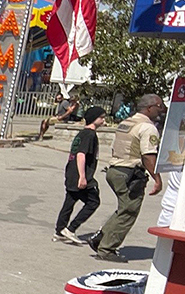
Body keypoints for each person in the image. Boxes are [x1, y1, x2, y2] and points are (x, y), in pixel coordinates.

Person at [88, 93, 167, 262]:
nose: (161, 110)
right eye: (159, 107)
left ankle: (100, 238)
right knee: (129, 212)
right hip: (129, 173)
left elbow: (114, 147)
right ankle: (107, 249)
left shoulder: (126, 123)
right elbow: (148, 156)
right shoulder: (148, 127)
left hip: (115, 169)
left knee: (124, 209)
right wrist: (157, 179)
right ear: (150, 108)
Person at [53, 106, 107, 245]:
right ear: (94, 119)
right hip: (79, 174)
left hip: (71, 172)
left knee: (70, 200)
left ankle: (60, 231)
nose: (103, 120)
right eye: (101, 117)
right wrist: (82, 176)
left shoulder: (82, 133)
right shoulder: (89, 135)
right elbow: (81, 154)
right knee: (93, 202)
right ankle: (71, 229)